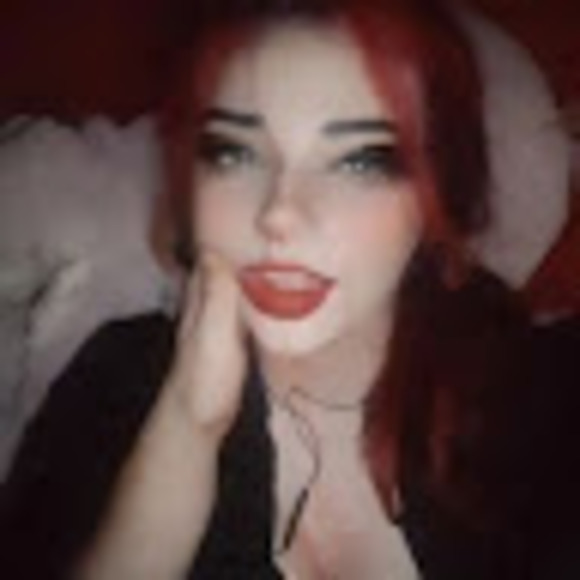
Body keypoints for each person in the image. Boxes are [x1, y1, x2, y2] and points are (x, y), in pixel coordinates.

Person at [0, 0, 544, 578]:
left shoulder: (522, 389)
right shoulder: (115, 382)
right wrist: (187, 424)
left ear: (441, 192)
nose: (280, 213)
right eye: (234, 153)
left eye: (360, 161)